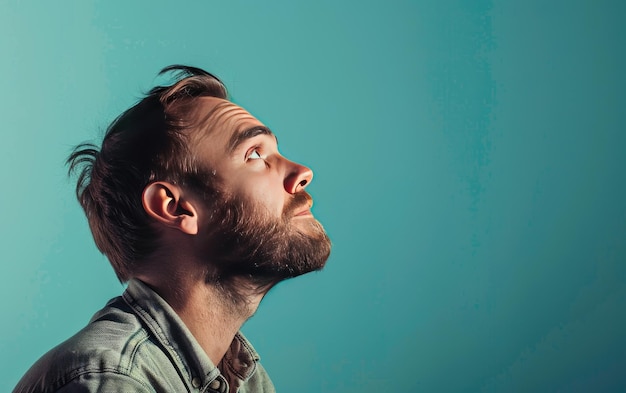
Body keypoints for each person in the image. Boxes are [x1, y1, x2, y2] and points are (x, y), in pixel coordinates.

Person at [14, 65, 331, 393]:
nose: (302, 172)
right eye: (255, 155)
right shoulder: (111, 380)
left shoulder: (246, 379)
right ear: (176, 207)